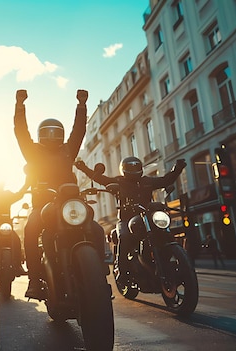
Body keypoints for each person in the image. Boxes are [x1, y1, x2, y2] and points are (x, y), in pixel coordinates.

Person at [14, 88, 95, 300]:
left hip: (70, 205)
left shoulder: (69, 149)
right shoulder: (32, 151)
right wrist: (20, 105)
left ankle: (98, 271)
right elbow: (21, 132)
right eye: (47, 131)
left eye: (56, 131)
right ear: (41, 135)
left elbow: (79, 130)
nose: (51, 135)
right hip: (43, 206)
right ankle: (34, 280)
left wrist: (81, 105)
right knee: (31, 230)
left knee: (94, 227)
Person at [75, 156, 187, 285]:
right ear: (124, 169)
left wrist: (177, 168)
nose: (133, 169)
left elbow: (166, 180)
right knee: (125, 237)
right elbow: (100, 179)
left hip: (147, 218)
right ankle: (122, 272)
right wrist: (83, 168)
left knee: (162, 231)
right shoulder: (119, 181)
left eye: (136, 167)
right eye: (130, 167)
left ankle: (170, 262)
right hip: (126, 220)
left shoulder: (147, 181)